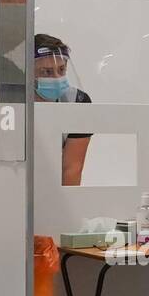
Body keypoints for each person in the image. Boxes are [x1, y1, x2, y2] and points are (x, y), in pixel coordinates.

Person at [32, 34, 94, 186]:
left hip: (53, 189)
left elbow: (71, 169)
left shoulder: (77, 102)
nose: (57, 78)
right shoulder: (11, 105)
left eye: (61, 69)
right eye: (46, 72)